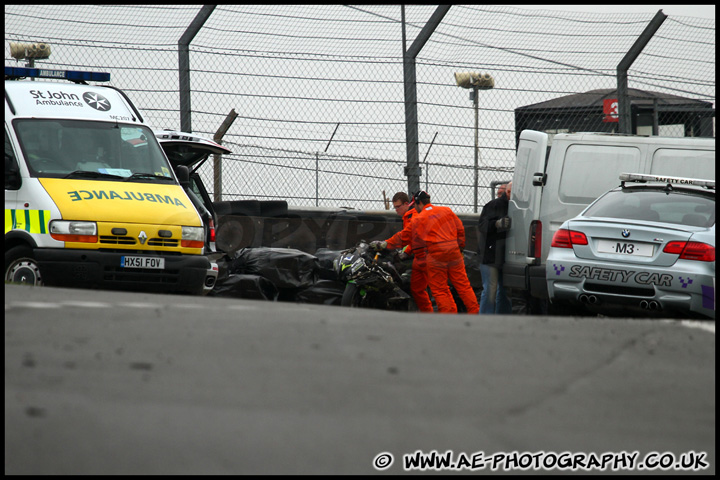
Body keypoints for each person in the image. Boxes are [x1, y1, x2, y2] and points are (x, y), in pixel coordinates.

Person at [410, 191, 479, 314]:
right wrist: (460, 247)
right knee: (464, 286)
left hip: (436, 255)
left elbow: (416, 241)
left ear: (418, 203)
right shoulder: (446, 211)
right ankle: (475, 313)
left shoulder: (419, 218)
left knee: (440, 290)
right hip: (454, 252)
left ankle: (446, 317)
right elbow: (460, 229)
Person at [369, 192, 434, 313]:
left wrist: (388, 245)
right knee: (418, 289)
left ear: (406, 204)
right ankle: (429, 314)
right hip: (423, 256)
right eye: (395, 207)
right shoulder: (410, 216)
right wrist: (406, 251)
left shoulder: (412, 216)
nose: (396, 210)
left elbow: (410, 236)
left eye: (398, 207)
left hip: (424, 257)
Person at [477, 182, 513, 314]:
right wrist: (496, 224)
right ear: (509, 192)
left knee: (504, 289)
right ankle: (486, 319)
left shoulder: (516, 207)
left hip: (505, 255)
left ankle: (501, 318)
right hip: (490, 254)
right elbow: (482, 225)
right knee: (491, 289)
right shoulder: (494, 205)